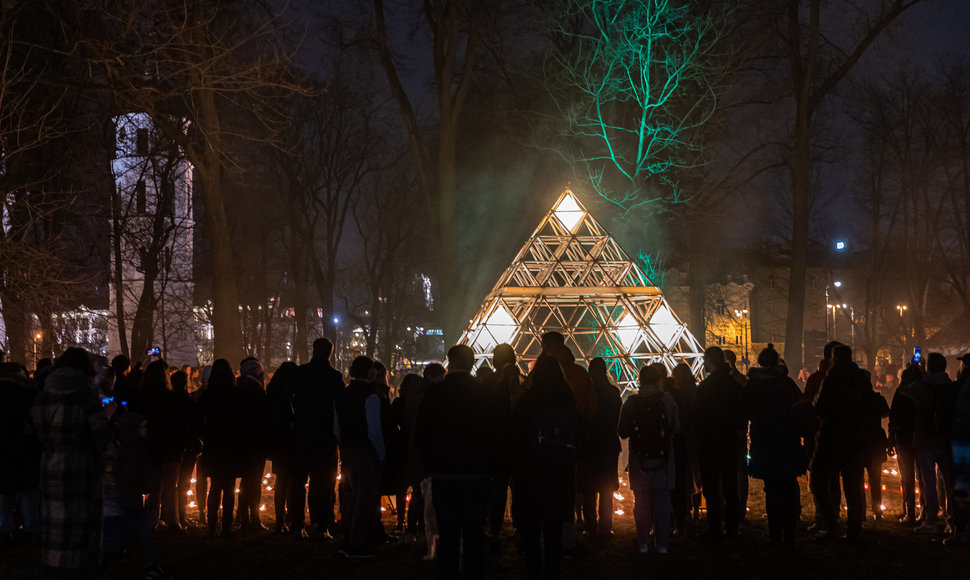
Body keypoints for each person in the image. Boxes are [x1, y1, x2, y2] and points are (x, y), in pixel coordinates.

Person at [32, 348, 112, 579]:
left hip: (51, 468)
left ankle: (54, 569)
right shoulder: (85, 395)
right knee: (80, 534)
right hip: (81, 470)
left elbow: (39, 433)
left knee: (55, 530)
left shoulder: (43, 395)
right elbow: (102, 436)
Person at [417, 345, 496, 580]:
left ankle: (448, 572)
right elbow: (494, 434)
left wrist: (429, 466)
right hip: (476, 475)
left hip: (444, 475)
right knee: (474, 535)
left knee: (447, 534)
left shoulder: (434, 394)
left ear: (449, 362)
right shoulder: (485, 395)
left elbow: (422, 434)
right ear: (472, 364)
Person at [512, 355, 581, 578]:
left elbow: (516, 440)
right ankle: (552, 572)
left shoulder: (526, 402)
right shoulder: (569, 402)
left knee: (531, 531)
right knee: (554, 532)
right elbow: (579, 439)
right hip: (559, 475)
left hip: (531, 475)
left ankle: (533, 571)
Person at [746, 344, 806, 546]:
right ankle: (789, 534)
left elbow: (746, 411)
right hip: (787, 441)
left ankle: (775, 534)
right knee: (788, 486)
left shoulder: (753, 385)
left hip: (764, 442)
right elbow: (800, 406)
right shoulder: (786, 384)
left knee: (771, 489)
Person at [618, 365, 680, 554]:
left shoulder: (631, 403)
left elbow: (622, 431)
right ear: (658, 381)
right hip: (663, 461)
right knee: (662, 503)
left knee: (642, 503)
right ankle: (662, 544)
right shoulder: (667, 401)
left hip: (639, 462)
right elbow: (676, 429)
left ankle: (644, 542)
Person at [812, 345, 871, 540]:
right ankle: (854, 529)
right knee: (853, 486)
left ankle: (831, 525)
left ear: (833, 359)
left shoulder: (832, 380)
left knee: (819, 482)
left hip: (833, 438)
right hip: (856, 439)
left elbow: (820, 408)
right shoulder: (861, 379)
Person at [290, 338, 344, 540]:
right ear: (330, 352)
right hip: (325, 437)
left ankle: (297, 525)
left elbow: (288, 398)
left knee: (298, 483)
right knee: (325, 484)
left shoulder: (300, 373)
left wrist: (292, 421)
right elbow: (338, 408)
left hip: (303, 435)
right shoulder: (334, 377)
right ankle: (323, 525)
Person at [899, 352, 958, 534]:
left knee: (928, 481)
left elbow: (903, 389)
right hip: (945, 438)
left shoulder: (920, 387)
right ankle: (953, 521)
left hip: (924, 438)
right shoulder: (950, 386)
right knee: (949, 483)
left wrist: (914, 369)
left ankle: (931, 520)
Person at [334, 356, 385, 560]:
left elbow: (336, 427)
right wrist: (381, 453)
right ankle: (358, 544)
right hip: (366, 452)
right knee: (364, 499)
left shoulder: (342, 395)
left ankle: (347, 540)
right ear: (370, 373)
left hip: (346, 451)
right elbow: (374, 430)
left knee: (349, 498)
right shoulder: (371, 396)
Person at [696, 346, 746, 540]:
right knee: (730, 484)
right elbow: (742, 413)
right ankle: (732, 526)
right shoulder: (734, 385)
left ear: (711, 360)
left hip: (710, 442)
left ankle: (715, 526)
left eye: (705, 360)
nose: (703, 364)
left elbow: (700, 417)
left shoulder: (706, 387)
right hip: (730, 440)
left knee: (712, 486)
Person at [132, 360, 184, 532]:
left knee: (154, 486)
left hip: (151, 447)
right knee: (170, 485)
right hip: (169, 447)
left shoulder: (141, 397)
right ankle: (172, 521)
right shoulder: (171, 398)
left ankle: (151, 520)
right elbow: (177, 423)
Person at [481, 344, 523, 540]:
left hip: (498, 446)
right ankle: (520, 526)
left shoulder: (492, 386)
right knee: (519, 489)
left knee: (497, 491)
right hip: (518, 445)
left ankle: (495, 529)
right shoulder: (522, 384)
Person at [579, 357, 621, 538]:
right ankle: (605, 526)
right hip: (609, 444)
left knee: (589, 487)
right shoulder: (613, 392)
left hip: (589, 444)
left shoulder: (587, 391)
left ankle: (590, 526)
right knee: (606, 488)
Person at [198, 359, 240, 538]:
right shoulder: (235, 395)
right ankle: (226, 526)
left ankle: (211, 525)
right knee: (229, 488)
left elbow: (199, 420)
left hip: (213, 446)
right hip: (230, 446)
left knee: (214, 487)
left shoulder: (208, 396)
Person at [0, 362, 41, 545]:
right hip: (26, 447)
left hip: (3, 446)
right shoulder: (30, 391)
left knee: (3, 492)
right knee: (27, 489)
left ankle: (4, 529)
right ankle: (32, 528)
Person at [805, 341, 842, 534]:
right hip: (840, 435)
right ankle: (836, 517)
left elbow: (811, 405)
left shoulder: (820, 380)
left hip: (823, 435)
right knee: (835, 479)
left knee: (820, 479)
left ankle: (825, 519)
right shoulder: (850, 379)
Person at [236, 357, 270, 532]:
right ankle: (254, 519)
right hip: (255, 444)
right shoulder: (257, 392)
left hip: (240, 442)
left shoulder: (236, 389)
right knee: (254, 482)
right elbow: (263, 420)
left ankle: (243, 518)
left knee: (244, 481)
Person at [889, 364, 924, 526]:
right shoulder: (924, 391)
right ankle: (925, 510)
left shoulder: (901, 392)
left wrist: (891, 437)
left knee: (907, 477)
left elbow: (894, 416)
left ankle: (909, 511)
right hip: (920, 436)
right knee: (923, 476)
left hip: (904, 438)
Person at [266, 361, 299, 533]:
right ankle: (289, 519)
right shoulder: (288, 396)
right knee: (292, 482)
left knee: (281, 481)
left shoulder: (272, 392)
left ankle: (281, 520)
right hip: (289, 442)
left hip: (278, 443)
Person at [669, 362, 701, 534]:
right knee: (695, 474)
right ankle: (695, 510)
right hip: (695, 438)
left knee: (685, 477)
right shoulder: (696, 391)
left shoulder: (679, 395)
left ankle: (686, 511)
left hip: (684, 439)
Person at [170, 370, 201, 529]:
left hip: (172, 447)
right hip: (185, 447)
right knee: (183, 483)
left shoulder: (168, 400)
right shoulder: (188, 402)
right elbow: (194, 424)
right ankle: (180, 516)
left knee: (172, 484)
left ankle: (173, 516)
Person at [863, 387, 890, 520]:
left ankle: (860, 511)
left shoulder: (857, 398)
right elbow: (885, 413)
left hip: (860, 442)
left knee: (857, 480)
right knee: (875, 479)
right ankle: (877, 511)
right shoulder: (877, 399)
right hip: (874, 443)